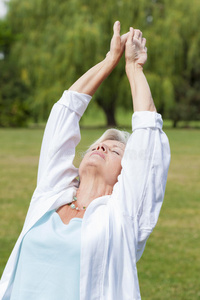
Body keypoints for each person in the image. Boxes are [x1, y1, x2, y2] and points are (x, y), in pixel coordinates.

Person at [0, 21, 170, 300]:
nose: (102, 148)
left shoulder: (123, 216)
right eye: (99, 145)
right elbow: (65, 112)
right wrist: (109, 60)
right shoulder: (50, 195)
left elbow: (149, 137)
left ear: (125, 176)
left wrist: (133, 68)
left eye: (114, 151)